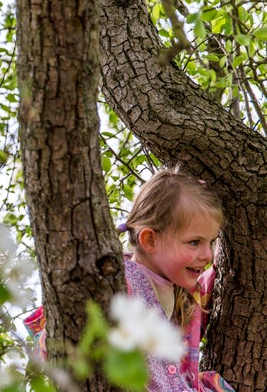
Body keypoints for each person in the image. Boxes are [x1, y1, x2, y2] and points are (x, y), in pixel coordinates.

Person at [24, 166, 236, 391]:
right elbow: (67, 327)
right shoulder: (120, 281)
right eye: (195, 242)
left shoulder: (180, 288)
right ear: (150, 241)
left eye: (212, 242)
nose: (207, 254)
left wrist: (221, 270)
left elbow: (200, 300)